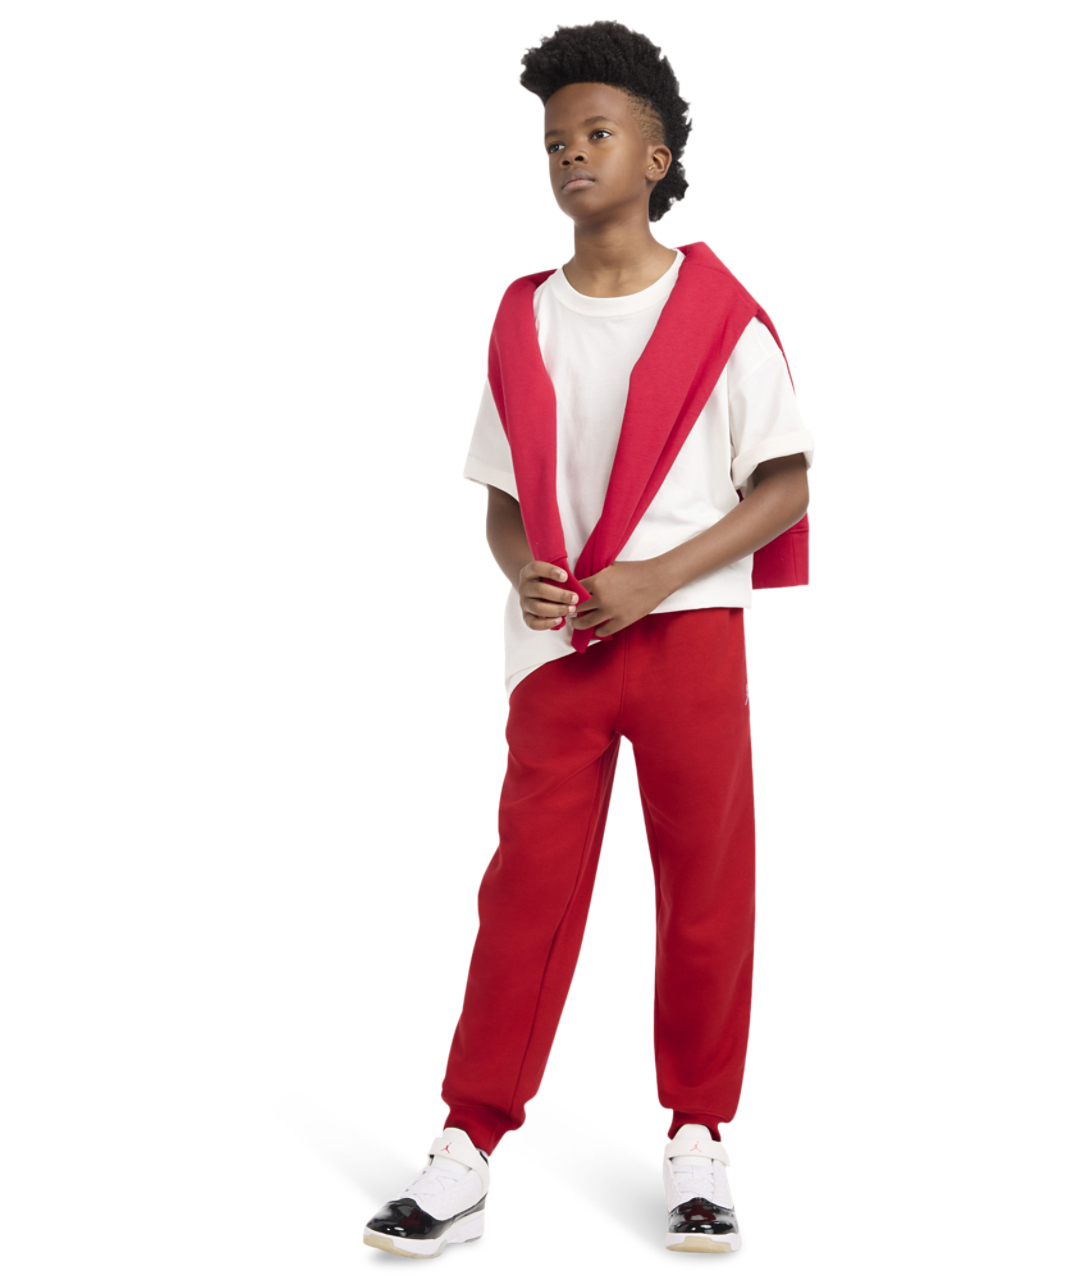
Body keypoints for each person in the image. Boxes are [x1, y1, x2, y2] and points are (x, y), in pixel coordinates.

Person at [363, 20, 813, 1258]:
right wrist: (525, 574)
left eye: (597, 134)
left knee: (704, 890)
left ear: (655, 157)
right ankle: (466, 1143)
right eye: (555, 141)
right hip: (559, 651)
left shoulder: (722, 315)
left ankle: (697, 1136)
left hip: (688, 637)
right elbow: (503, 500)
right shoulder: (523, 317)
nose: (571, 155)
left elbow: (785, 481)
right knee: (526, 891)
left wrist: (656, 574)